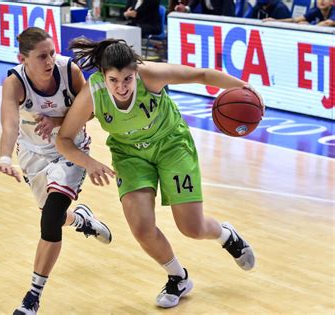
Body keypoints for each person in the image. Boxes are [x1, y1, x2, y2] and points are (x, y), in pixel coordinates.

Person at [56, 38, 259, 309]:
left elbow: (201, 75)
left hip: (171, 145)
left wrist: (246, 90)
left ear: (136, 71)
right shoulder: (92, 93)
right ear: (103, 76)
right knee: (140, 227)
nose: (121, 87)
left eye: (127, 79)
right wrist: (89, 163)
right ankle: (178, 276)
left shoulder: (150, 75)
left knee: (192, 228)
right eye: (114, 80)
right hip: (129, 155)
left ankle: (226, 235)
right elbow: (64, 139)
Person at [0, 27, 112, 315]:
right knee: (55, 217)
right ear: (22, 58)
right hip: (33, 155)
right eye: (42, 56)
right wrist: (5, 157)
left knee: (48, 223)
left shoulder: (68, 70)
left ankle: (32, 296)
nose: (50, 61)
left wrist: (58, 119)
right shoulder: (14, 82)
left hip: (70, 148)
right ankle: (81, 220)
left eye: (52, 53)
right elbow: (10, 125)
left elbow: (92, 109)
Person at [264, 0, 334, 25]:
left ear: (332, 2)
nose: (321, 1)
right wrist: (276, 21)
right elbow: (295, 20)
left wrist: (310, 27)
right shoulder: (316, 10)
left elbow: (328, 23)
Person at [171, 0, 235, 16]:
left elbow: (228, 10)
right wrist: (185, 9)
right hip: (209, 17)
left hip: (224, 18)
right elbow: (194, 2)